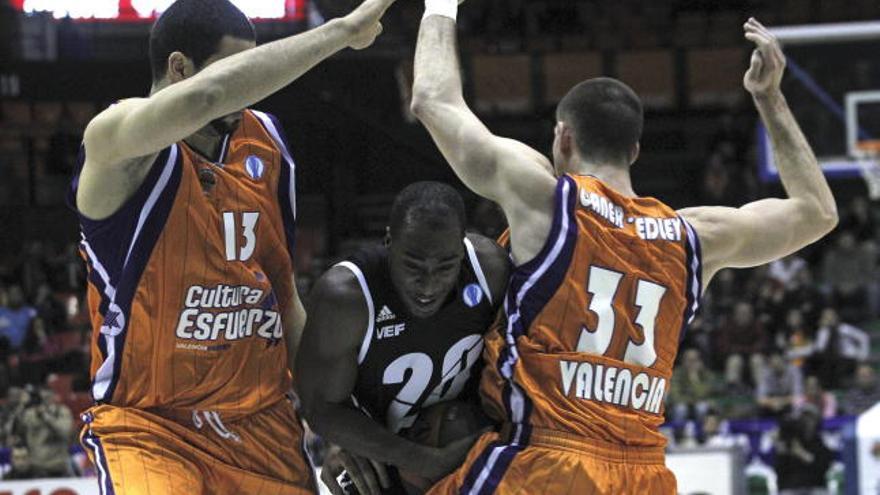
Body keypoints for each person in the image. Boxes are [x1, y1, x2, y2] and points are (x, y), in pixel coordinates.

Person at [410, 5, 838, 492]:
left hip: (547, 462)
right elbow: (817, 212)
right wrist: (769, 99)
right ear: (635, 151)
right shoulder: (694, 236)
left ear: (563, 137)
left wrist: (439, 5)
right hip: (644, 474)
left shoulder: (548, 200)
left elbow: (431, 100)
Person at [67, 0, 396, 493]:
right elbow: (208, 96)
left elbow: (283, 299)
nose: (250, 88)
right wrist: (343, 31)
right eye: (237, 69)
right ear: (180, 68)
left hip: (260, 426)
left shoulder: (266, 143)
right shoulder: (116, 141)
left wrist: (333, 421)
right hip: (152, 428)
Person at [297, 182, 509, 495]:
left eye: (445, 266)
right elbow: (323, 408)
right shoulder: (345, 298)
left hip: (468, 443)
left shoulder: (490, 271)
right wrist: (424, 461)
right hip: (380, 452)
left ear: (462, 251)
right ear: (387, 241)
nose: (428, 284)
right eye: (413, 265)